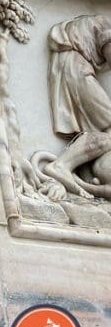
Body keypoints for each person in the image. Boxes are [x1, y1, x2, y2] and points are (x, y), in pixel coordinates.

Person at [41, 15, 111, 198]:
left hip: (71, 66)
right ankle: (61, 166)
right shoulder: (106, 24)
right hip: (76, 69)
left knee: (96, 129)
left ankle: (79, 170)